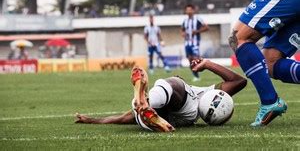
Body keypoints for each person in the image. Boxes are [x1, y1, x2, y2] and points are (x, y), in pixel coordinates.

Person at [75, 59, 247, 131]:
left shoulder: (209, 95)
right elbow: (240, 81)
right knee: (169, 93)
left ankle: (143, 98)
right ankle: (145, 102)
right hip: (176, 108)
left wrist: (207, 63)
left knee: (173, 86)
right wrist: (94, 120)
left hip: (174, 100)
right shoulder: (212, 97)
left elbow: (239, 81)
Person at [181, 4, 209, 81]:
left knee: (196, 59)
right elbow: (182, 31)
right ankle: (196, 76)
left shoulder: (198, 19)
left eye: (190, 9)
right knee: (190, 60)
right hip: (187, 43)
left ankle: (203, 66)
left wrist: (197, 31)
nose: (188, 11)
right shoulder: (185, 21)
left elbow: (207, 27)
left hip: (195, 43)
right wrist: (183, 34)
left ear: (193, 10)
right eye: (187, 10)